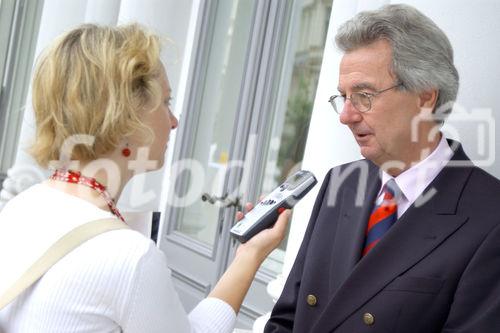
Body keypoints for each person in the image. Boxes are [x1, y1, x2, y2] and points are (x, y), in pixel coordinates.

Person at [0, 23, 291, 332]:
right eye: (166, 102)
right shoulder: (126, 256)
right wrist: (251, 256)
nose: (175, 121)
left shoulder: (24, 205)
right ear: (126, 118)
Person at [265, 4, 500, 333]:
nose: (345, 116)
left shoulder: (490, 218)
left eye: (363, 95)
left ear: (425, 97)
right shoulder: (341, 182)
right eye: (343, 97)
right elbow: (288, 319)